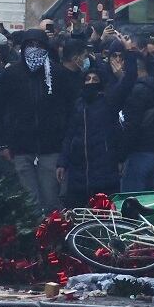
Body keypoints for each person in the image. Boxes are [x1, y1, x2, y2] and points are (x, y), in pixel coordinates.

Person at [0, 31, 73, 212]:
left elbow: (70, 111)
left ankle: (52, 237)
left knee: (51, 200)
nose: (34, 50)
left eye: (39, 46)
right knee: (29, 203)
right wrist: (2, 144)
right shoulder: (11, 74)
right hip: (20, 149)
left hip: (51, 148)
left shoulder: (58, 74)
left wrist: (65, 146)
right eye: (30, 45)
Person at [57, 66, 118, 204]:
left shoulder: (108, 103)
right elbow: (69, 134)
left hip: (103, 169)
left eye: (95, 79)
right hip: (78, 170)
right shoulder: (77, 105)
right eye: (88, 79)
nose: (91, 82)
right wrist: (62, 162)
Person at [114, 50, 154, 193]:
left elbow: (131, 126)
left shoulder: (137, 91)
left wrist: (120, 157)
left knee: (132, 200)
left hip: (140, 151)